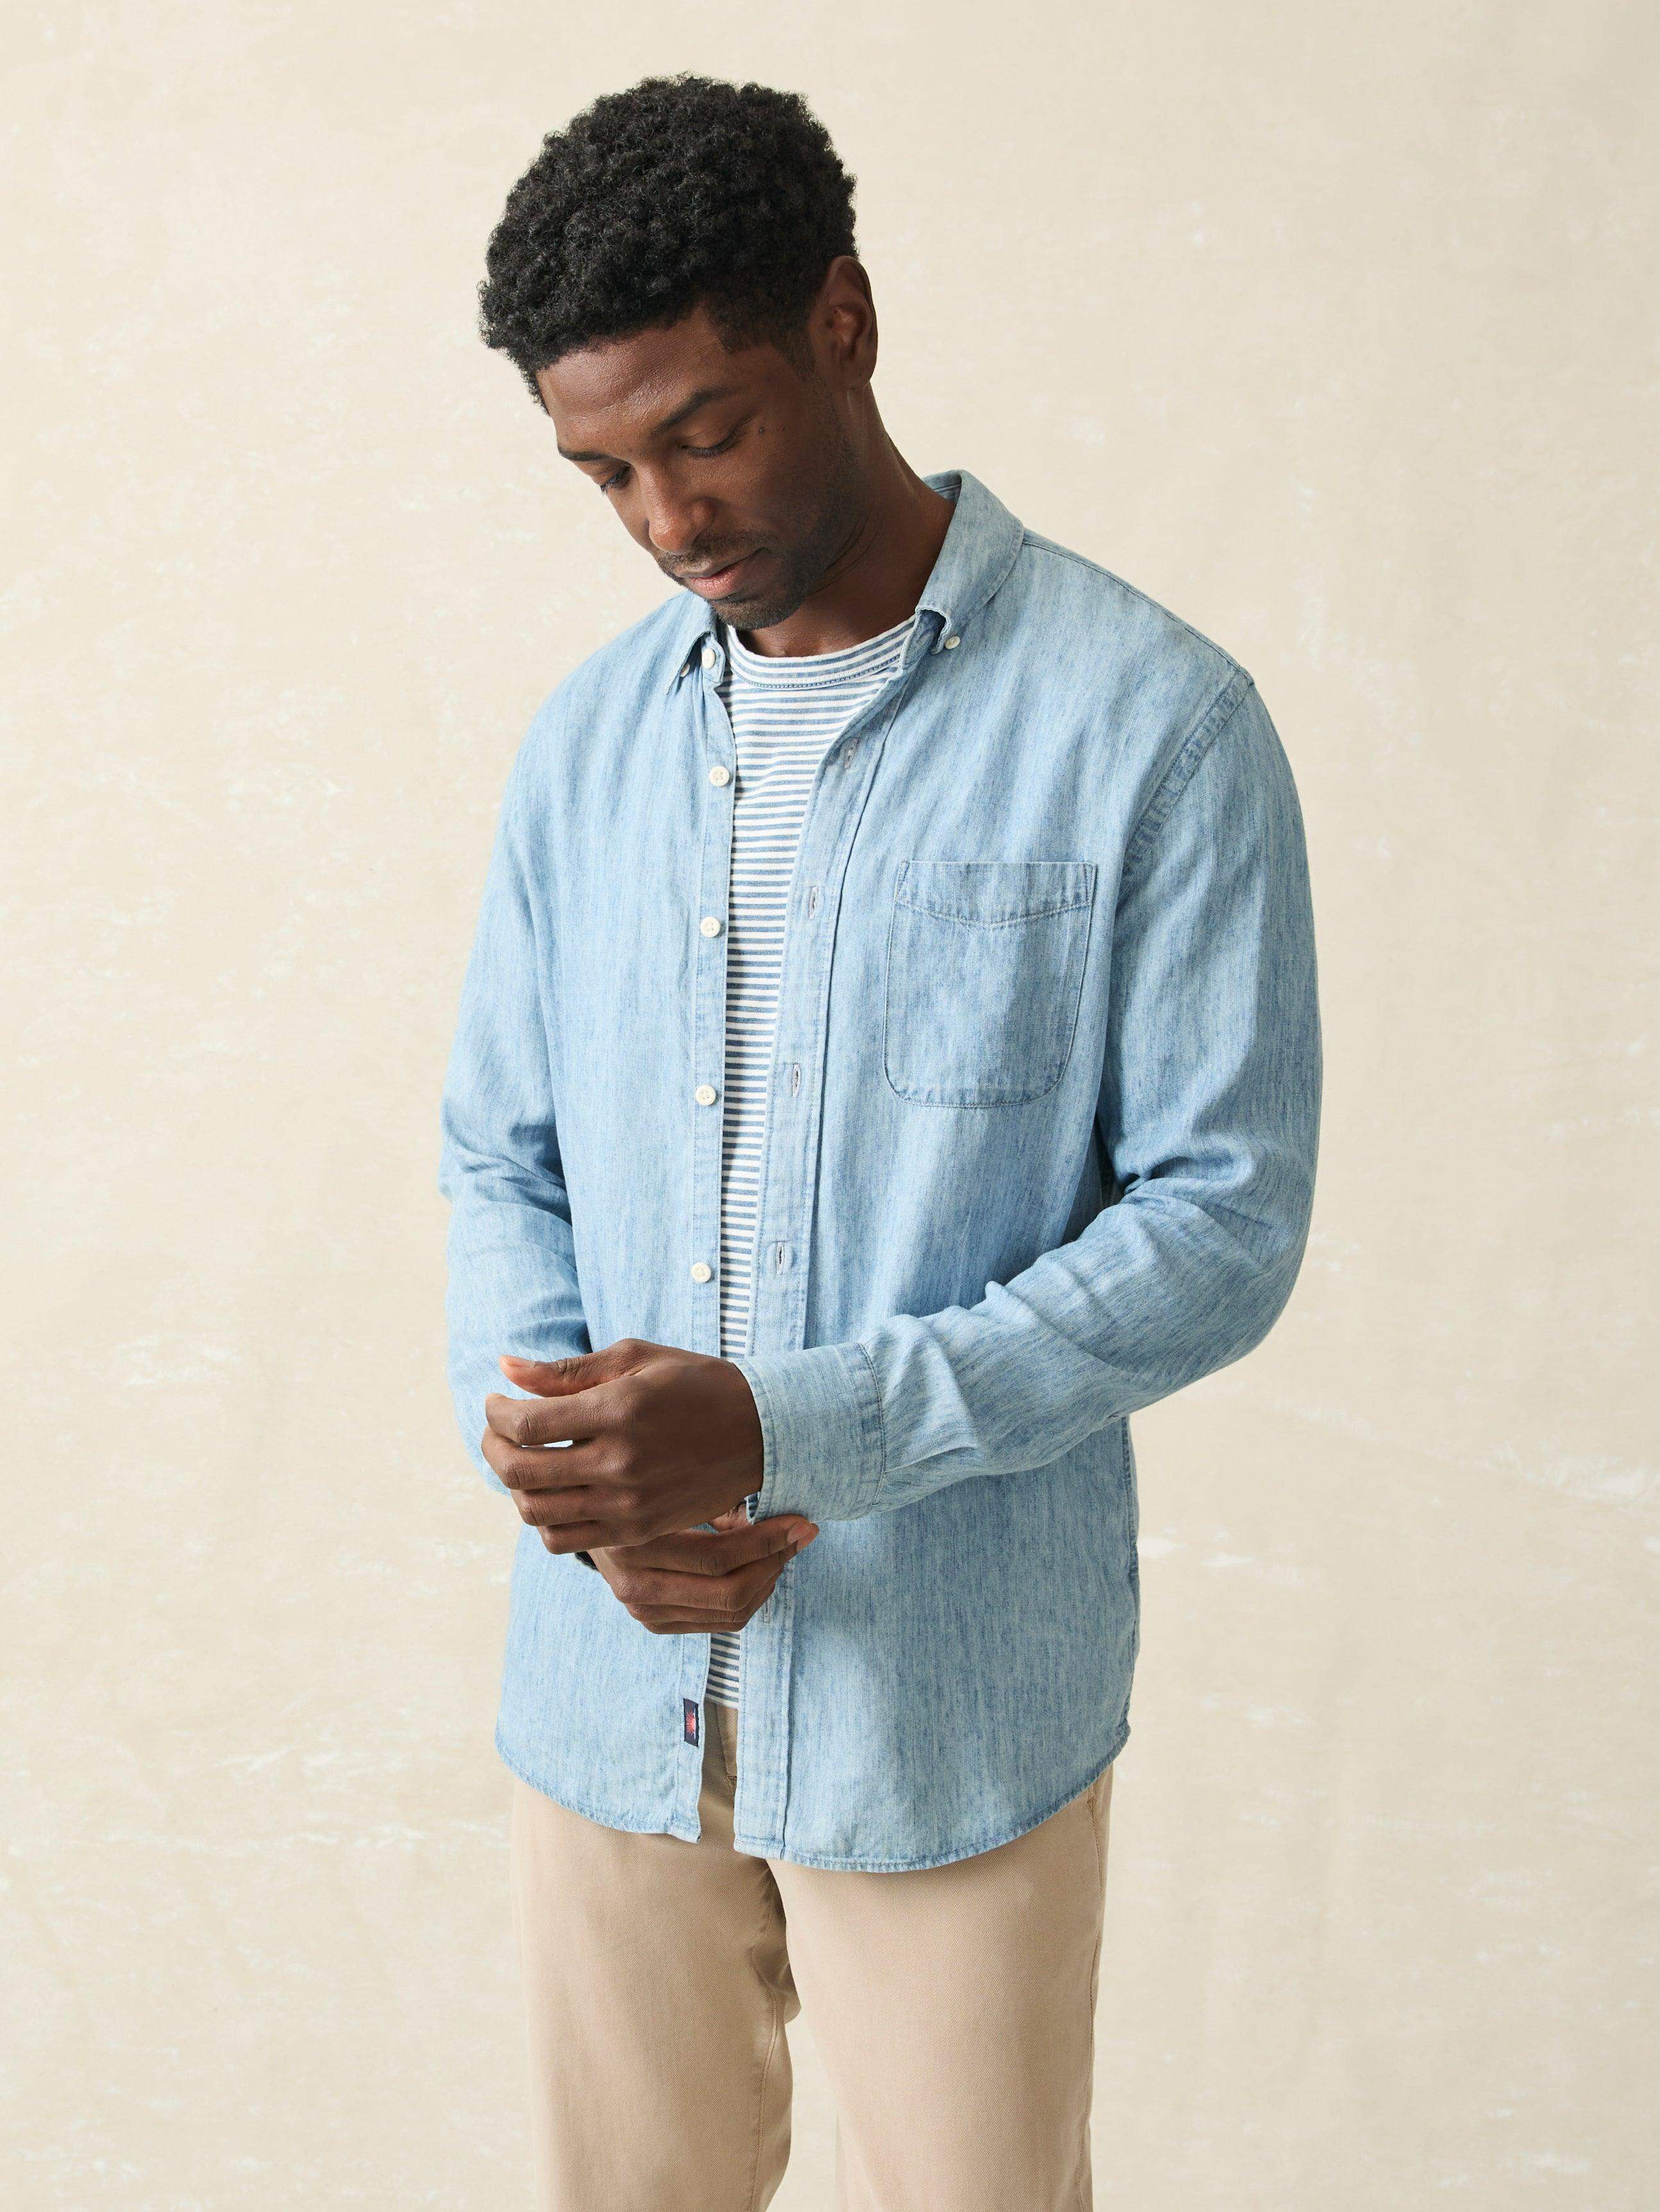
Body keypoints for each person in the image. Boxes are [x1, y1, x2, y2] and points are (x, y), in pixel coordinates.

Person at [438, 70, 1321, 2212]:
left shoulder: (1152, 726)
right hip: (608, 1693)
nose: (666, 518)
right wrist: (577, 1473)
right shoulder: (588, 744)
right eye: (605, 470)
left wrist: (779, 1431)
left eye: (707, 432)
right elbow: (501, 1152)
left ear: (842, 322)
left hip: (949, 1706)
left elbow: (1221, 1220)